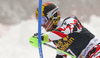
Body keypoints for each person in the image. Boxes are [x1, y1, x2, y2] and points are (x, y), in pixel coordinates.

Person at [30, 2, 100, 58]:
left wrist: (43, 38)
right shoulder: (55, 38)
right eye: (39, 21)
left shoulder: (71, 21)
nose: (42, 25)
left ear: (54, 17)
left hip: (96, 51)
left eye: (43, 20)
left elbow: (63, 32)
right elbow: (61, 56)